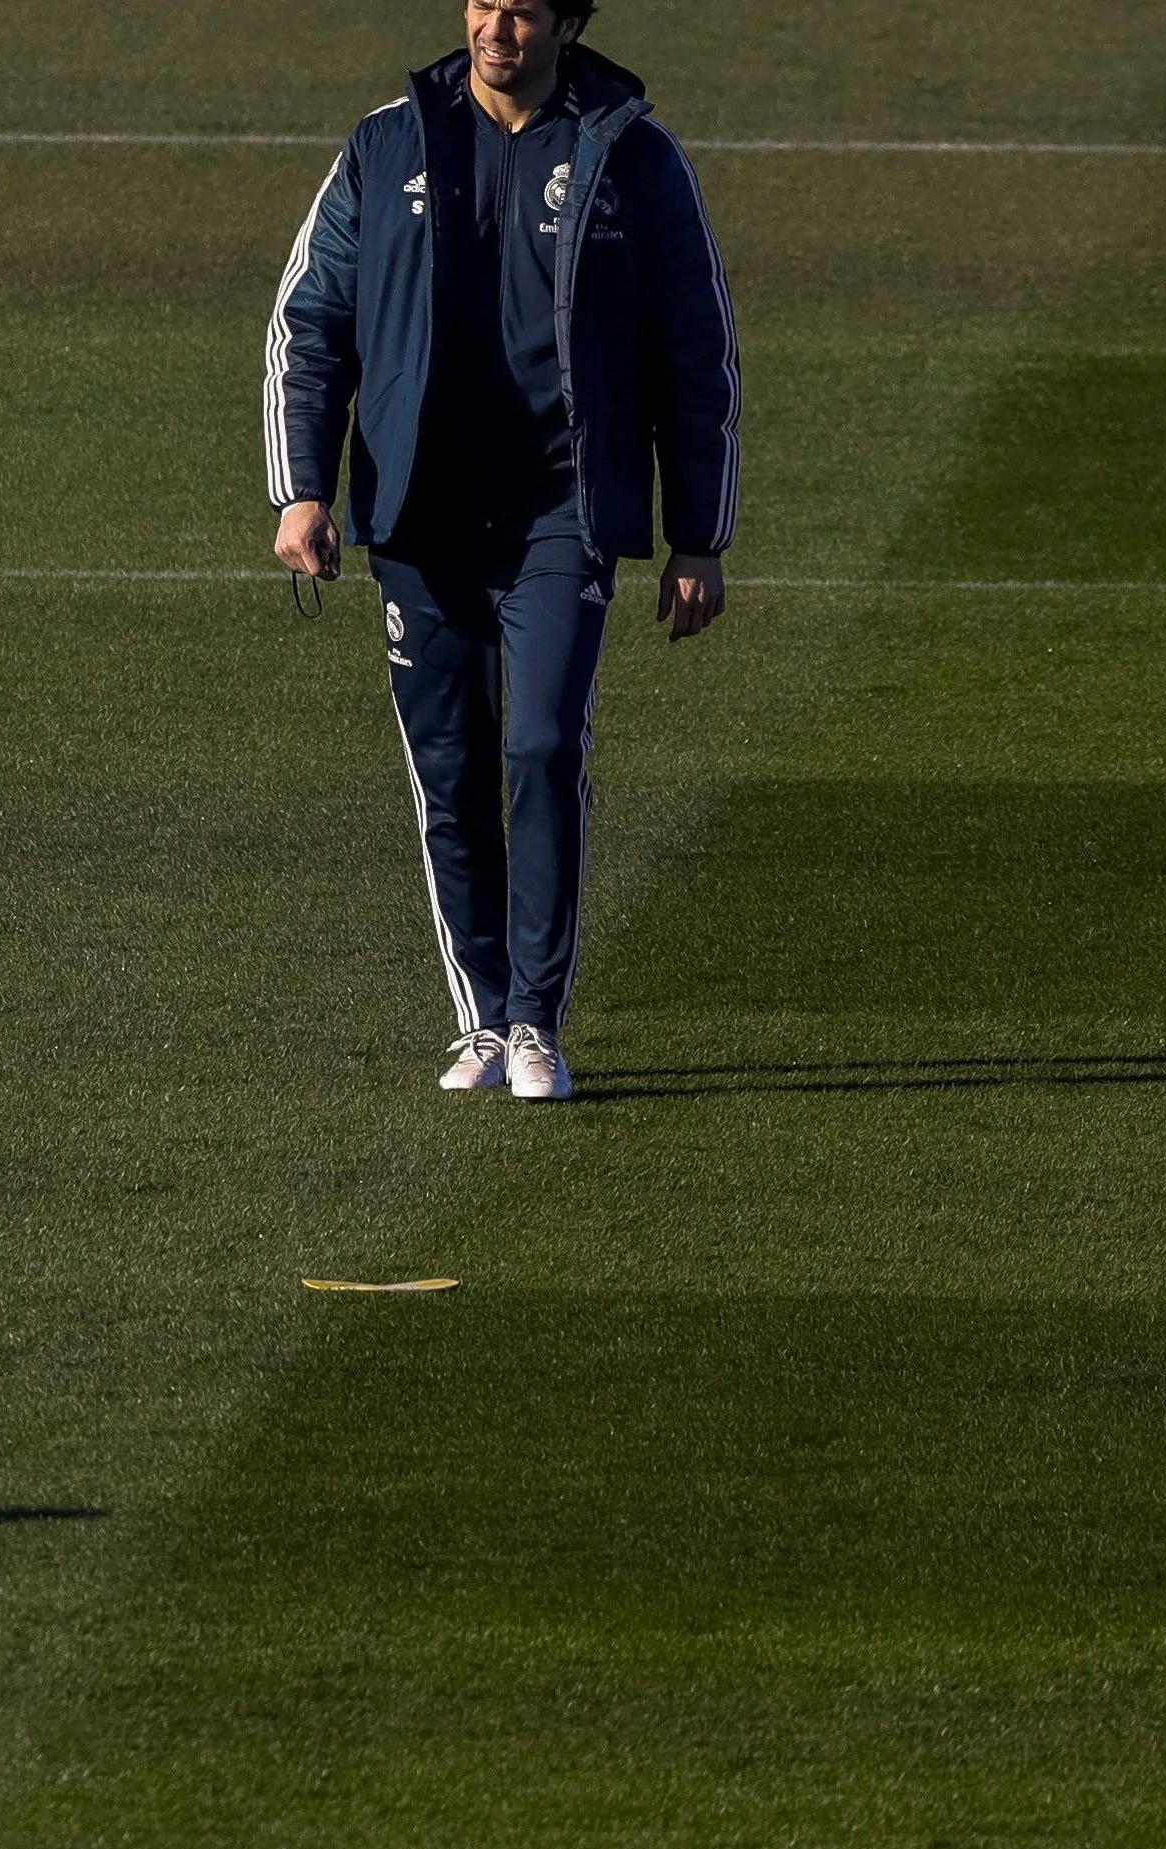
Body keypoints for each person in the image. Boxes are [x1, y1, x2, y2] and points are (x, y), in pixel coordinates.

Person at [264, 0, 739, 1101]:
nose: (496, 27)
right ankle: (478, 1020)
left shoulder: (631, 153)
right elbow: (311, 319)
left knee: (537, 750)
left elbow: (696, 347)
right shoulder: (390, 142)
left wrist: (699, 535)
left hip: (560, 514)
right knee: (451, 773)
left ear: (568, 21)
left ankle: (537, 1021)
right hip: (421, 514)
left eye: (523, 9)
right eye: (482, 3)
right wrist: (302, 490)